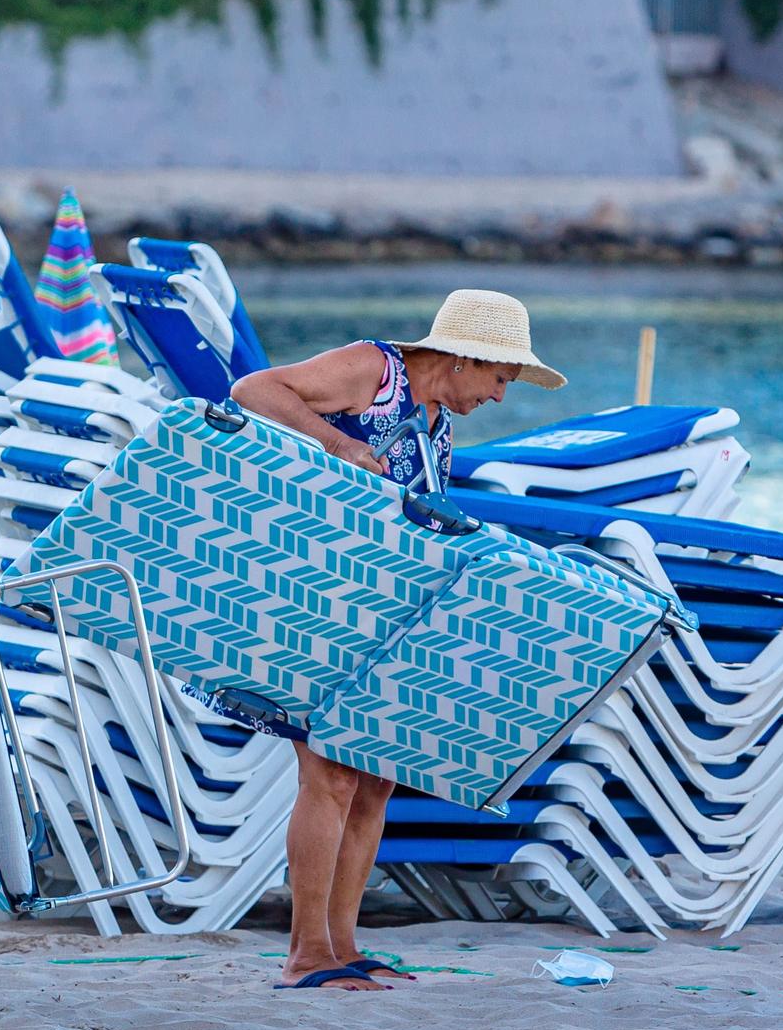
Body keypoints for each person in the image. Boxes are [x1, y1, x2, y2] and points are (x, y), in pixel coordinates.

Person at [227, 289, 567, 991]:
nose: (502, 396)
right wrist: (340, 441)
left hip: (374, 608)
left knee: (376, 777)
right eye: (502, 378)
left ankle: (342, 944)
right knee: (330, 774)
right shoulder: (374, 370)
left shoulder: (437, 417)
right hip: (312, 593)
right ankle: (304, 953)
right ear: (468, 357)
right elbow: (253, 388)